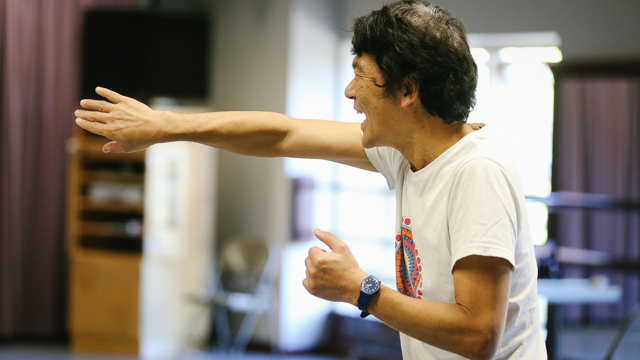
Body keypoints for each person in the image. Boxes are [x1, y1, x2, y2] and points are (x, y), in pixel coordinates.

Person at [74, 1, 546, 359]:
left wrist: (361, 289)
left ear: (408, 91)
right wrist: (166, 126)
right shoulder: (405, 155)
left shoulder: (477, 171)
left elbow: (478, 333)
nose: (350, 92)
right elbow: (283, 134)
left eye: (361, 76)